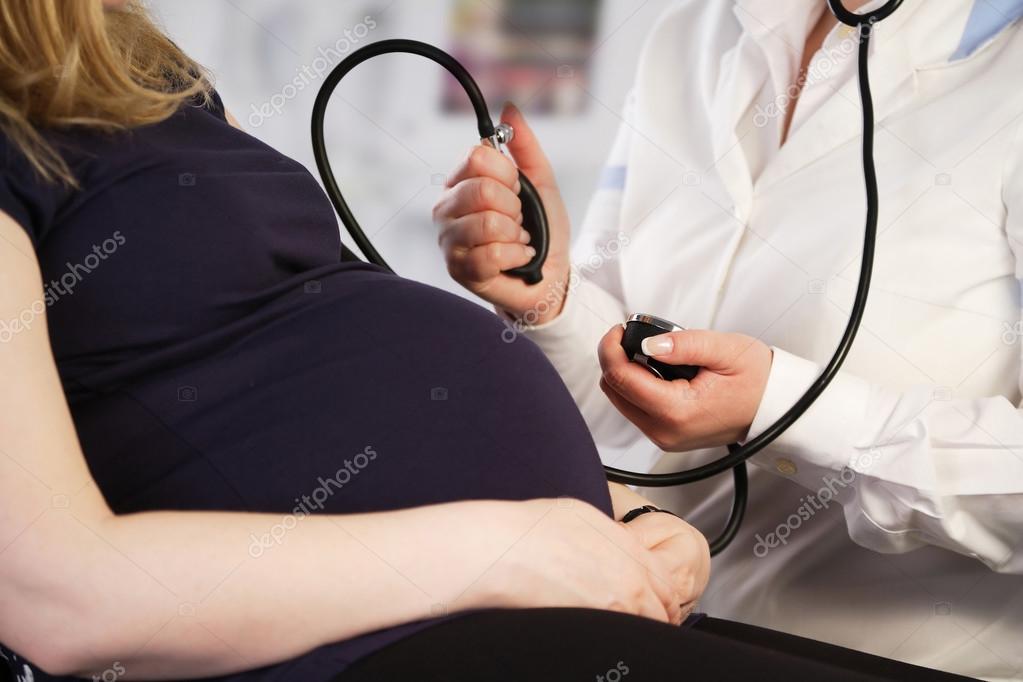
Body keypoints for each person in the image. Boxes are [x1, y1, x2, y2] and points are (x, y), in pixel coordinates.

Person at [0, 1, 981, 681]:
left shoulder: (130, 83)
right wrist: (554, 312)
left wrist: (619, 539)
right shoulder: (690, 41)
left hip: (619, 612)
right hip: (409, 634)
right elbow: (57, 588)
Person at [434, 0, 1023, 679]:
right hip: (661, 633)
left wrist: (779, 409)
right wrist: (549, 296)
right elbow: (620, 404)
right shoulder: (691, 32)